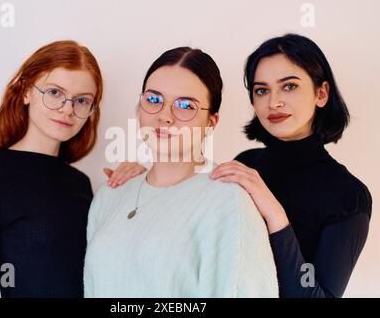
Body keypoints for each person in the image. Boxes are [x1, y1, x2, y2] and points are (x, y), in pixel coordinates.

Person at [84, 47, 278, 298]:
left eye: (186, 105)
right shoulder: (109, 196)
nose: (165, 116)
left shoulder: (227, 201)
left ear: (211, 122)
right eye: (153, 100)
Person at [209, 34, 372, 297]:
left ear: (322, 93)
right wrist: (143, 181)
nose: (273, 102)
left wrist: (274, 213)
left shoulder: (348, 196)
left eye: (289, 86)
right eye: (261, 90)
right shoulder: (245, 164)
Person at [0, 40, 103, 297]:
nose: (68, 109)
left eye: (81, 100)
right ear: (26, 92)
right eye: (55, 92)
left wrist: (134, 185)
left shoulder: (80, 183)